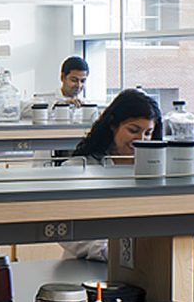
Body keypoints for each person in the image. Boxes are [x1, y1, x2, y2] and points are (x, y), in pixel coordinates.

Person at [58, 89, 162, 261]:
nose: (141, 139)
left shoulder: (155, 172)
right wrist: (104, 250)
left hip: (142, 263)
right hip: (86, 265)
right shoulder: (79, 168)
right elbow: (65, 229)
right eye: (133, 130)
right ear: (113, 125)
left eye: (148, 133)